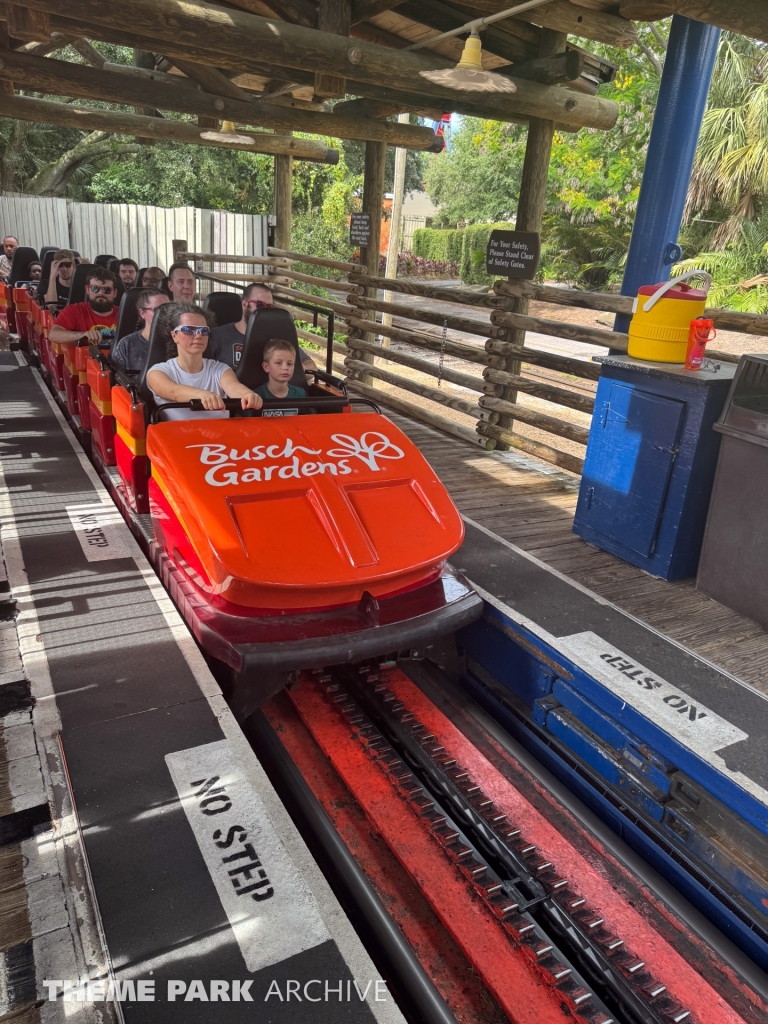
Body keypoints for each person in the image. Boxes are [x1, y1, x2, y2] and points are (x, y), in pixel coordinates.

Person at [147, 303, 262, 420]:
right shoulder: (158, 372)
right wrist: (202, 395)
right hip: (177, 436)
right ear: (174, 336)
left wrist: (247, 394)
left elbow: (233, 387)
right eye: (189, 330)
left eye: (203, 330)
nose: (198, 335)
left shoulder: (221, 369)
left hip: (219, 435)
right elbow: (173, 392)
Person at [209, 283, 318, 373]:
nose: (265, 310)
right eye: (260, 304)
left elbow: (311, 366)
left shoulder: (278, 338)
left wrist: (299, 370)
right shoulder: (217, 336)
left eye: (270, 307)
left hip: (270, 397)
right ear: (244, 304)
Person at [49, 268, 119, 346]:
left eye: (107, 290)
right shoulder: (74, 310)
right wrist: (82, 335)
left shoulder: (124, 315)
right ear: (87, 289)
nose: (100, 293)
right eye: (95, 288)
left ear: (115, 293)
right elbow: (53, 334)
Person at [110, 289, 169, 371]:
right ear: (142, 313)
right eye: (157, 310)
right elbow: (118, 378)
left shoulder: (180, 341)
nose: (164, 314)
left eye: (167, 309)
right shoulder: (127, 344)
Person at [255, 339, 308, 417]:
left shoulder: (300, 394)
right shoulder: (255, 396)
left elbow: (311, 422)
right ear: (266, 367)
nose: (285, 368)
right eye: (279, 363)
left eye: (289, 364)